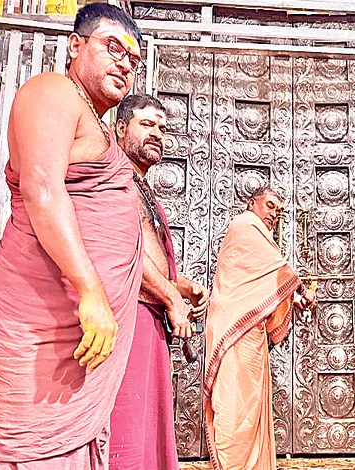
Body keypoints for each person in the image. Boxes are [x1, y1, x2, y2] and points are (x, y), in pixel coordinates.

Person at [0, 4, 144, 469]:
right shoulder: (52, 91)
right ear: (75, 46)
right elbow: (42, 189)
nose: (125, 63)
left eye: (133, 58)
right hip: (38, 329)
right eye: (113, 47)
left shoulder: (95, 123)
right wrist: (90, 291)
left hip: (77, 341)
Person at [109, 94, 210, 470]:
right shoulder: (112, 177)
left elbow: (147, 253)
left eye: (163, 129)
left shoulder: (140, 184)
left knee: (147, 427)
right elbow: (126, 251)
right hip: (128, 317)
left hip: (149, 318)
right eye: (147, 124)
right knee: (126, 430)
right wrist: (171, 298)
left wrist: (181, 286)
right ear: (121, 128)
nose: (157, 134)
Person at [203, 188, 315, 470]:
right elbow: (279, 269)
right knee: (234, 402)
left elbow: (262, 286)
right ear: (252, 203)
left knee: (250, 403)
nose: (274, 214)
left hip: (248, 329)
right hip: (233, 327)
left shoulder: (258, 236)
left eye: (278, 211)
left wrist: (293, 300)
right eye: (269, 205)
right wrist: (302, 289)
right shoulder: (246, 225)